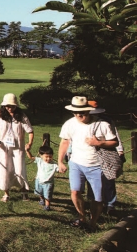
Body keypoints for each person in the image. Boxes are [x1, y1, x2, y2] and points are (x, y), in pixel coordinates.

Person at [58, 96, 118, 231]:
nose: (79, 115)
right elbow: (65, 142)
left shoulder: (102, 125)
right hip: (76, 163)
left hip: (97, 166)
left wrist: (99, 143)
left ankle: (93, 223)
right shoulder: (69, 124)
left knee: (97, 198)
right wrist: (60, 161)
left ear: (88, 111)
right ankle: (81, 217)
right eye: (75, 112)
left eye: (83, 112)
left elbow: (115, 142)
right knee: (75, 192)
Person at [0, 93, 34, 202]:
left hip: (18, 147)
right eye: (7, 106)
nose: (9, 108)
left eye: (12, 106)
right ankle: (6, 193)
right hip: (4, 146)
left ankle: (24, 191)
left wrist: (29, 143)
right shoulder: (0, 113)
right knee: (4, 169)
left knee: (19, 170)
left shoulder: (22, 116)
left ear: (16, 105)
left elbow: (30, 131)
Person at [89, 101, 124, 214]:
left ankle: (110, 204)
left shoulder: (106, 121)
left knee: (108, 179)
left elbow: (115, 136)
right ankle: (96, 202)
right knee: (93, 181)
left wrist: (120, 150)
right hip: (90, 156)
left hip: (106, 154)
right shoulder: (83, 122)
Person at [26, 145, 59, 211]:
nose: (48, 158)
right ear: (41, 156)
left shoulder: (54, 164)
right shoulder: (39, 160)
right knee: (39, 192)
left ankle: (47, 206)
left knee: (47, 195)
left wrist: (63, 168)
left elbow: (59, 170)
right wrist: (27, 151)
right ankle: (41, 199)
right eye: (46, 157)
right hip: (39, 180)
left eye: (50, 156)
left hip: (48, 183)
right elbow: (31, 157)